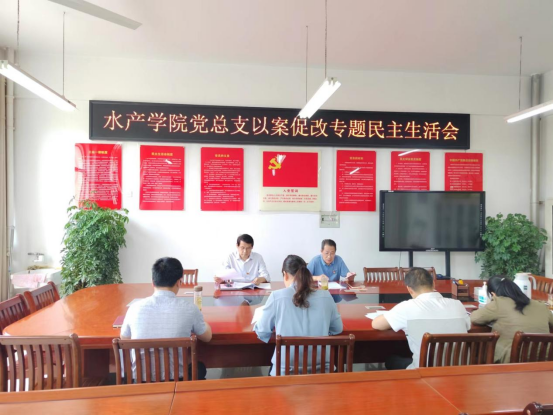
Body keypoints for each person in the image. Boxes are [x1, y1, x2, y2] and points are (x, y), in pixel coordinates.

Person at [121, 257, 212, 381]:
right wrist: (202, 321)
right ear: (179, 282)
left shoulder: (134, 308)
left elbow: (124, 338)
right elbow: (207, 337)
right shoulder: (190, 309)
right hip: (177, 381)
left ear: (153, 282)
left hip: (141, 381)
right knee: (200, 368)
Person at [254, 255, 343, 375]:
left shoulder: (276, 296)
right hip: (322, 372)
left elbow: (262, 332)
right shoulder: (326, 296)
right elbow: (337, 329)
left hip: (285, 373)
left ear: (285, 274)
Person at [372, 267, 470, 369]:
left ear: (409, 289)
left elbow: (376, 324)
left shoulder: (406, 307)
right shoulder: (457, 305)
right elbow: (468, 326)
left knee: (391, 360)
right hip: (461, 371)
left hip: (424, 373)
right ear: (433, 284)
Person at [470, 276, 553, 363]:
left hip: (512, 362)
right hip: (544, 360)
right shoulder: (541, 306)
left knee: (480, 350)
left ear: (493, 294)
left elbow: (475, 318)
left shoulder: (499, 302)